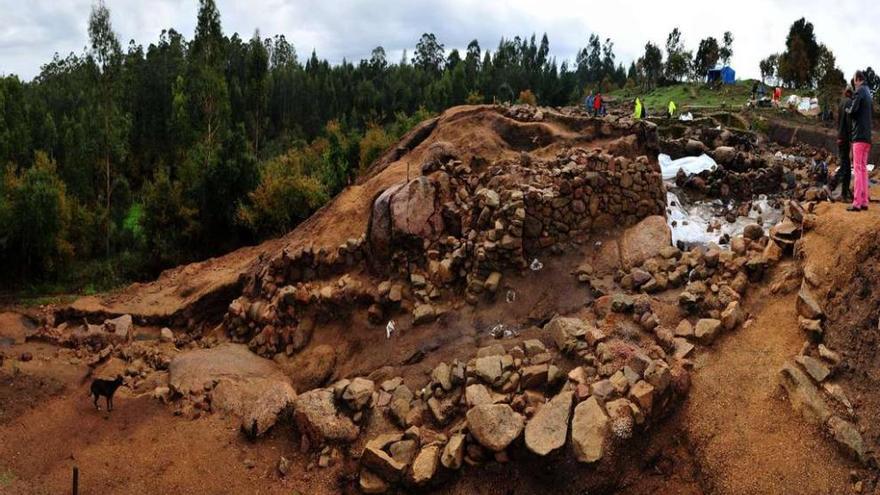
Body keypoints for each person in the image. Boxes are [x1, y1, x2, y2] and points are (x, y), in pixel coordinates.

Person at [847, 70, 873, 211]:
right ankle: (864, 201)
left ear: (858, 79)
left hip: (859, 137)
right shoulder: (868, 92)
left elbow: (853, 111)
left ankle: (857, 202)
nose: (854, 84)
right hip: (867, 137)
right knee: (863, 169)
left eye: (854, 80)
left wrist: (847, 109)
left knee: (857, 169)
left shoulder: (859, 91)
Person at [832, 85, 854, 202]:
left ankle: (841, 191)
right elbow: (849, 122)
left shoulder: (841, 103)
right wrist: (851, 139)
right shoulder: (849, 103)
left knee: (844, 164)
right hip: (845, 138)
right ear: (851, 93)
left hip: (840, 137)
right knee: (846, 167)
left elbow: (839, 121)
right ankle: (843, 194)